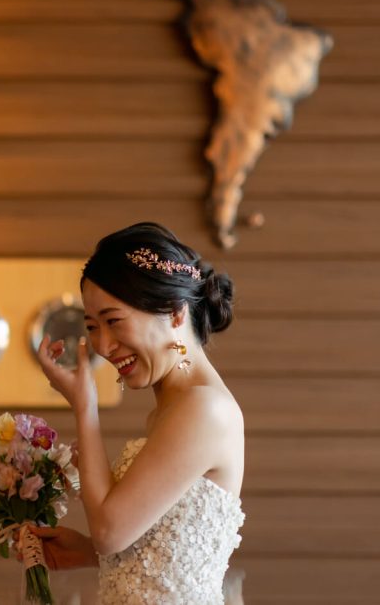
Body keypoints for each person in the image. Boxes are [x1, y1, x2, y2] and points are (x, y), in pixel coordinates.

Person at [32, 222, 244, 604]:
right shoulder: (175, 410)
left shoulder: (204, 409)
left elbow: (109, 532)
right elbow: (168, 558)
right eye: (92, 327)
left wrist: (85, 405)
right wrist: (87, 552)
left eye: (113, 321)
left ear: (175, 313)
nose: (103, 346)